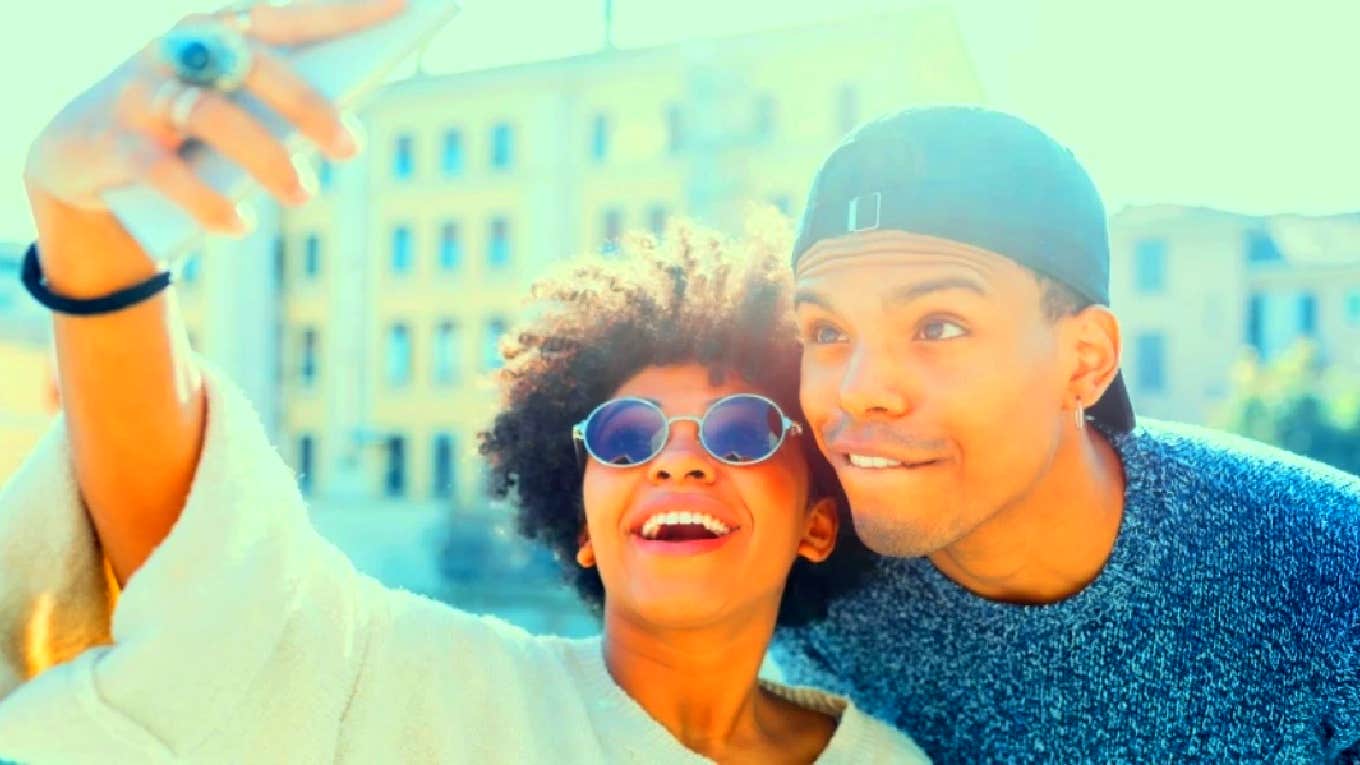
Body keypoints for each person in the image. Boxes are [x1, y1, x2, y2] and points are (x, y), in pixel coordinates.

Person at [0, 3, 926, 762]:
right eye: (627, 434)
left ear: (818, 518)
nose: (677, 460)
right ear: (585, 524)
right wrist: (93, 242)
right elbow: (218, 590)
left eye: (739, 429)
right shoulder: (417, 684)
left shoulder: (888, 761)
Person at [770, 105, 1360, 762]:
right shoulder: (798, 602)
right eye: (825, 331)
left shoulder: (1332, 572)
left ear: (1085, 360)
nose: (856, 387)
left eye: (938, 325)